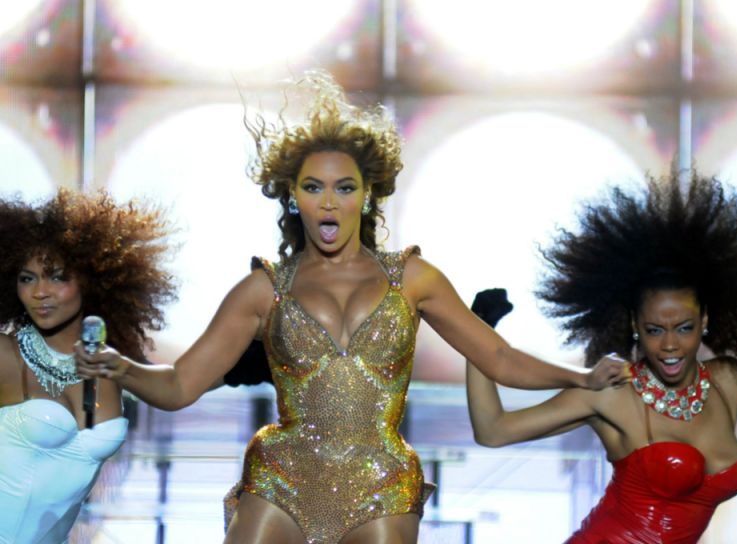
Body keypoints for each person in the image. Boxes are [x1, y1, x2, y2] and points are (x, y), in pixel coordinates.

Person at [75, 71, 626, 544]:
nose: (330, 201)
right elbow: (179, 386)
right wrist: (120, 368)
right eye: (314, 187)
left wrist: (580, 376)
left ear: (368, 194)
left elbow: (500, 359)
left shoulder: (414, 279)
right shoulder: (264, 289)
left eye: (345, 187)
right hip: (282, 474)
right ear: (293, 196)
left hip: (382, 478)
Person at [466, 171, 737, 543]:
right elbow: (493, 430)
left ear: (705, 320)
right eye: (655, 330)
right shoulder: (614, 393)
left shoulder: (731, 382)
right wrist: (479, 330)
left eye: (684, 327)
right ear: (634, 325)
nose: (670, 345)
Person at [0, 188, 176, 544]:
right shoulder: (6, 356)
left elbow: (182, 385)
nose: (40, 292)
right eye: (27, 278)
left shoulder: (110, 367)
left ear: (93, 278)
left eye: (57, 276)